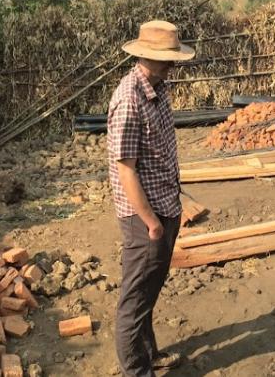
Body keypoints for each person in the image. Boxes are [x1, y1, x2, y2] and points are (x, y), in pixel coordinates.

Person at [108, 20, 195, 376]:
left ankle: (149, 355)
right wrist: (151, 223)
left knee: (149, 291)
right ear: (146, 57)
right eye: (167, 59)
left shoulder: (157, 88)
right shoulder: (129, 100)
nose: (173, 65)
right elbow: (125, 170)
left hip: (165, 205)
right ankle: (136, 371)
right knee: (134, 301)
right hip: (146, 217)